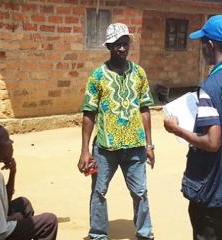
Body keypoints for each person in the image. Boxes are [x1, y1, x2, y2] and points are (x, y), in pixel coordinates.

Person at [163, 15, 222, 239]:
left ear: (211, 45)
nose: (202, 49)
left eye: (202, 43)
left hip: (213, 185)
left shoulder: (212, 85)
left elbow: (212, 141)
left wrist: (176, 129)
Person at [78, 23, 155, 240]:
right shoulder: (97, 76)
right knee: (99, 193)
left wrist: (149, 145)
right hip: (105, 147)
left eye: (125, 44)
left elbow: (145, 109)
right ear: (109, 46)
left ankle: (145, 234)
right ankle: (98, 235)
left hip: (135, 146)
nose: (122, 48)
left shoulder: (139, 73)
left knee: (140, 193)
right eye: (117, 45)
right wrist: (85, 150)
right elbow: (88, 114)